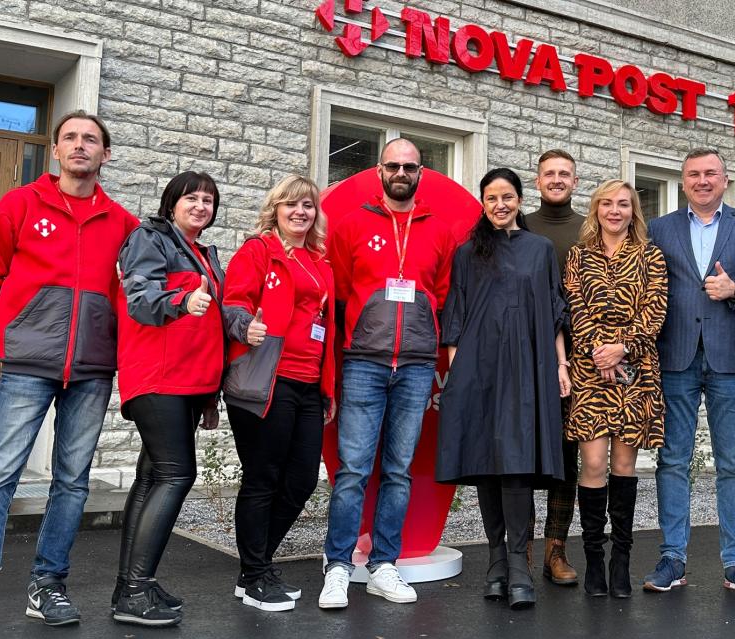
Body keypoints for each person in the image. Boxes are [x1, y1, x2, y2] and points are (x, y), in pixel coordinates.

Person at [0, 111, 138, 639]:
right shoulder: (20, 205)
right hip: (28, 366)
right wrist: (27, 321)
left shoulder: (122, 223)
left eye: (91, 139)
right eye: (70, 137)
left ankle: (47, 585)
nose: (80, 146)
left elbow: (131, 295)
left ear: (105, 154)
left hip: (92, 369)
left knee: (73, 483)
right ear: (55, 150)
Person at [319, 138, 457, 610]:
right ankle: (337, 567)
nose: (401, 173)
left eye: (409, 167)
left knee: (398, 471)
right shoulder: (353, 224)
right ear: (380, 171)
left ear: (420, 173)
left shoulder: (439, 231)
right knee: (354, 470)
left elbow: (442, 295)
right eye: (393, 166)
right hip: (364, 362)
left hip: (417, 366)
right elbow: (339, 293)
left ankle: (383, 565)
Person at [643, 147, 735, 598]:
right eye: (694, 175)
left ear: (724, 179)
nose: (702, 181)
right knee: (672, 460)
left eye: (710, 174)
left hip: (731, 359)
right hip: (675, 357)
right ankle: (672, 558)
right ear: (683, 181)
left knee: (734, 464)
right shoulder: (660, 228)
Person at [435, 168, 571, 609]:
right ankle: (496, 563)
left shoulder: (540, 249)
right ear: (483, 203)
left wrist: (561, 364)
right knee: (485, 461)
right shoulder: (467, 253)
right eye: (491, 198)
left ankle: (518, 564)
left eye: (507, 197)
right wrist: (456, 374)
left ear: (519, 200)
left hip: (528, 367)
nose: (500, 204)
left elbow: (554, 310)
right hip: (478, 368)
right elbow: (455, 315)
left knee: (515, 460)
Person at [111, 171, 230, 626]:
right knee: (178, 474)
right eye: (191, 198)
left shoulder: (203, 252)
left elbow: (212, 326)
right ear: (171, 203)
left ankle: (131, 584)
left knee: (150, 478)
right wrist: (181, 302)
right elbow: (140, 298)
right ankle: (134, 591)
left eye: (208, 200)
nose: (200, 206)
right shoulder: (150, 238)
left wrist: (210, 397)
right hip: (158, 377)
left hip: (188, 382)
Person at [222, 175, 336, 613]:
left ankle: (255, 567)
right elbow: (233, 302)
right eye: (291, 204)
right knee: (262, 477)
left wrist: (327, 388)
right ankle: (255, 576)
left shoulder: (320, 262)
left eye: (307, 205)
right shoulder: (258, 251)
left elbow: (325, 327)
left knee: (302, 479)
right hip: (267, 380)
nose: (300, 212)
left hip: (309, 383)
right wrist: (243, 327)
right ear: (276, 209)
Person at [565, 179, 667, 598]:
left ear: (633, 211)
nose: (614, 210)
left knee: (624, 464)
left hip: (635, 369)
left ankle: (621, 559)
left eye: (623, 204)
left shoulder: (650, 255)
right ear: (596, 209)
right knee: (592, 464)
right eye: (606, 203)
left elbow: (655, 311)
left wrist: (621, 349)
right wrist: (599, 353)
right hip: (590, 371)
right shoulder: (579, 255)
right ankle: (594, 559)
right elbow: (574, 306)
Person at [524, 149, 582, 585]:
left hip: (578, 357)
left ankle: (555, 549)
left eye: (564, 173)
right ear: (538, 180)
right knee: (523, 454)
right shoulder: (521, 225)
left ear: (575, 181)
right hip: (525, 354)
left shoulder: (589, 228)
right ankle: (520, 549)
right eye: (550, 173)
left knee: (565, 454)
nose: (557, 179)